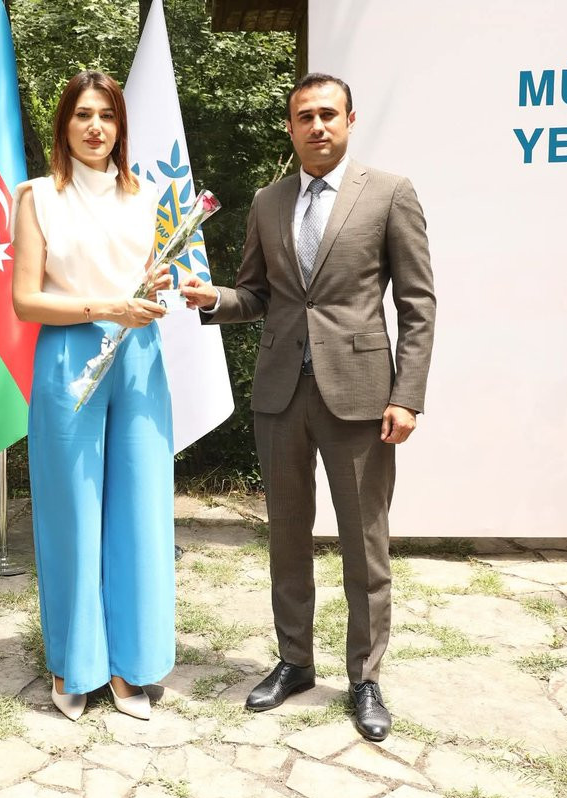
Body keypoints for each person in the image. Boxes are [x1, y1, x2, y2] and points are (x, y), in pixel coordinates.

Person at [181, 72, 435, 742]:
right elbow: (257, 294)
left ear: (349, 120)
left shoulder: (389, 193)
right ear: (290, 127)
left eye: (328, 114)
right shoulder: (269, 201)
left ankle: (365, 678)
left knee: (364, 544)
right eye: (304, 116)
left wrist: (407, 395)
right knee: (287, 538)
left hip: (361, 399)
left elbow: (417, 304)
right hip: (280, 396)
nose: (317, 126)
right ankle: (294, 662)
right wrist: (214, 299)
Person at [11, 70, 176, 722]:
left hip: (138, 357)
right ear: (64, 125)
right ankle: (72, 662)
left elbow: (149, 284)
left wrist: (154, 288)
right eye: (82, 114)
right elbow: (26, 300)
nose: (95, 126)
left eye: (106, 115)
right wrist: (106, 306)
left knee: (140, 510)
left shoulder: (148, 197)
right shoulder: (36, 197)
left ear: (120, 126)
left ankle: (129, 665)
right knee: (72, 513)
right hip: (68, 356)